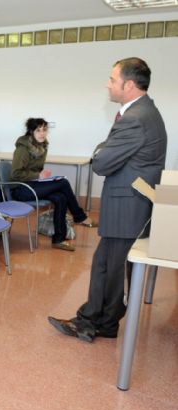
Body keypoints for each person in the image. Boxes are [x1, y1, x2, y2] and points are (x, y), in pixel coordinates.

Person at [48, 57, 167, 342]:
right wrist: (105, 151)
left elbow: (100, 162)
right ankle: (95, 319)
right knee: (106, 264)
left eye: (112, 79)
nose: (107, 84)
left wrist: (102, 151)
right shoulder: (143, 113)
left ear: (128, 84)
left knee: (111, 267)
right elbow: (107, 155)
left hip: (128, 205)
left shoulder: (136, 119)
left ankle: (99, 322)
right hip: (131, 204)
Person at [10, 118, 96, 251]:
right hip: (21, 190)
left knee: (60, 198)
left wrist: (41, 176)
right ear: (31, 132)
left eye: (44, 130)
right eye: (38, 130)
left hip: (33, 185)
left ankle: (59, 239)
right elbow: (15, 174)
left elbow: (34, 170)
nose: (42, 133)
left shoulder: (41, 147)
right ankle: (79, 216)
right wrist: (38, 175)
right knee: (63, 183)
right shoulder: (23, 148)